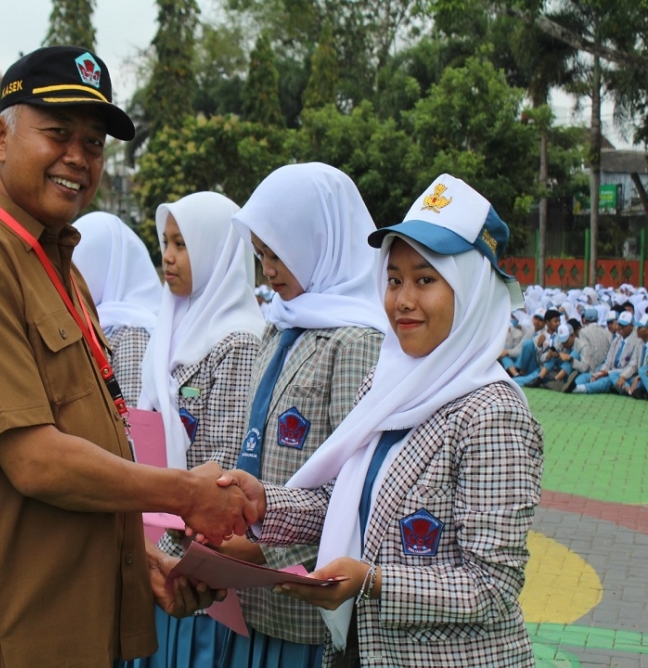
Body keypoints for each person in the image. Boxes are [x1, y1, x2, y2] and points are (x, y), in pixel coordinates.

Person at [0, 46, 256, 667]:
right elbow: (37, 461)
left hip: (73, 619)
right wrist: (184, 494)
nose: (79, 157)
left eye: (94, 142)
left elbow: (84, 445)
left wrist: (142, 561)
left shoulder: (58, 270)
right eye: (58, 133)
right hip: (14, 632)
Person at [220, 174, 544, 667]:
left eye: (426, 279)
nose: (403, 300)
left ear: (471, 289)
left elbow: (491, 588)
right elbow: (348, 505)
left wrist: (373, 581)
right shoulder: (390, 383)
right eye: (394, 279)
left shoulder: (492, 413)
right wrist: (264, 503)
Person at [216, 163, 386, 667]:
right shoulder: (280, 327)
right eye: (261, 254)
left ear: (322, 241)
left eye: (280, 253)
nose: (269, 269)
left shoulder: (356, 341)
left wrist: (264, 554)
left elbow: (353, 491)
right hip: (249, 589)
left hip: (303, 603)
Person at [134, 191, 264, 667]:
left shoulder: (238, 340)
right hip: (155, 540)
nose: (167, 256)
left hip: (193, 554)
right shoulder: (170, 328)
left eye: (183, 244)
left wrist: (168, 546)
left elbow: (223, 461)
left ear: (216, 249)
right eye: (165, 242)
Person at [72, 211, 161, 406]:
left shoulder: (133, 335)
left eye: (78, 265)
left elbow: (133, 424)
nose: (72, 278)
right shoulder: (98, 322)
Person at [571, 311, 639, 394]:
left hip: (625, 375)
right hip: (610, 372)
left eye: (624, 326)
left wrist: (607, 373)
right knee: (590, 375)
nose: (620, 328)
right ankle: (572, 385)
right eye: (619, 325)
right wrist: (601, 373)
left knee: (607, 380)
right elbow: (608, 361)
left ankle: (579, 389)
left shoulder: (637, 341)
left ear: (632, 326)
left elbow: (633, 366)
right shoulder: (617, 340)